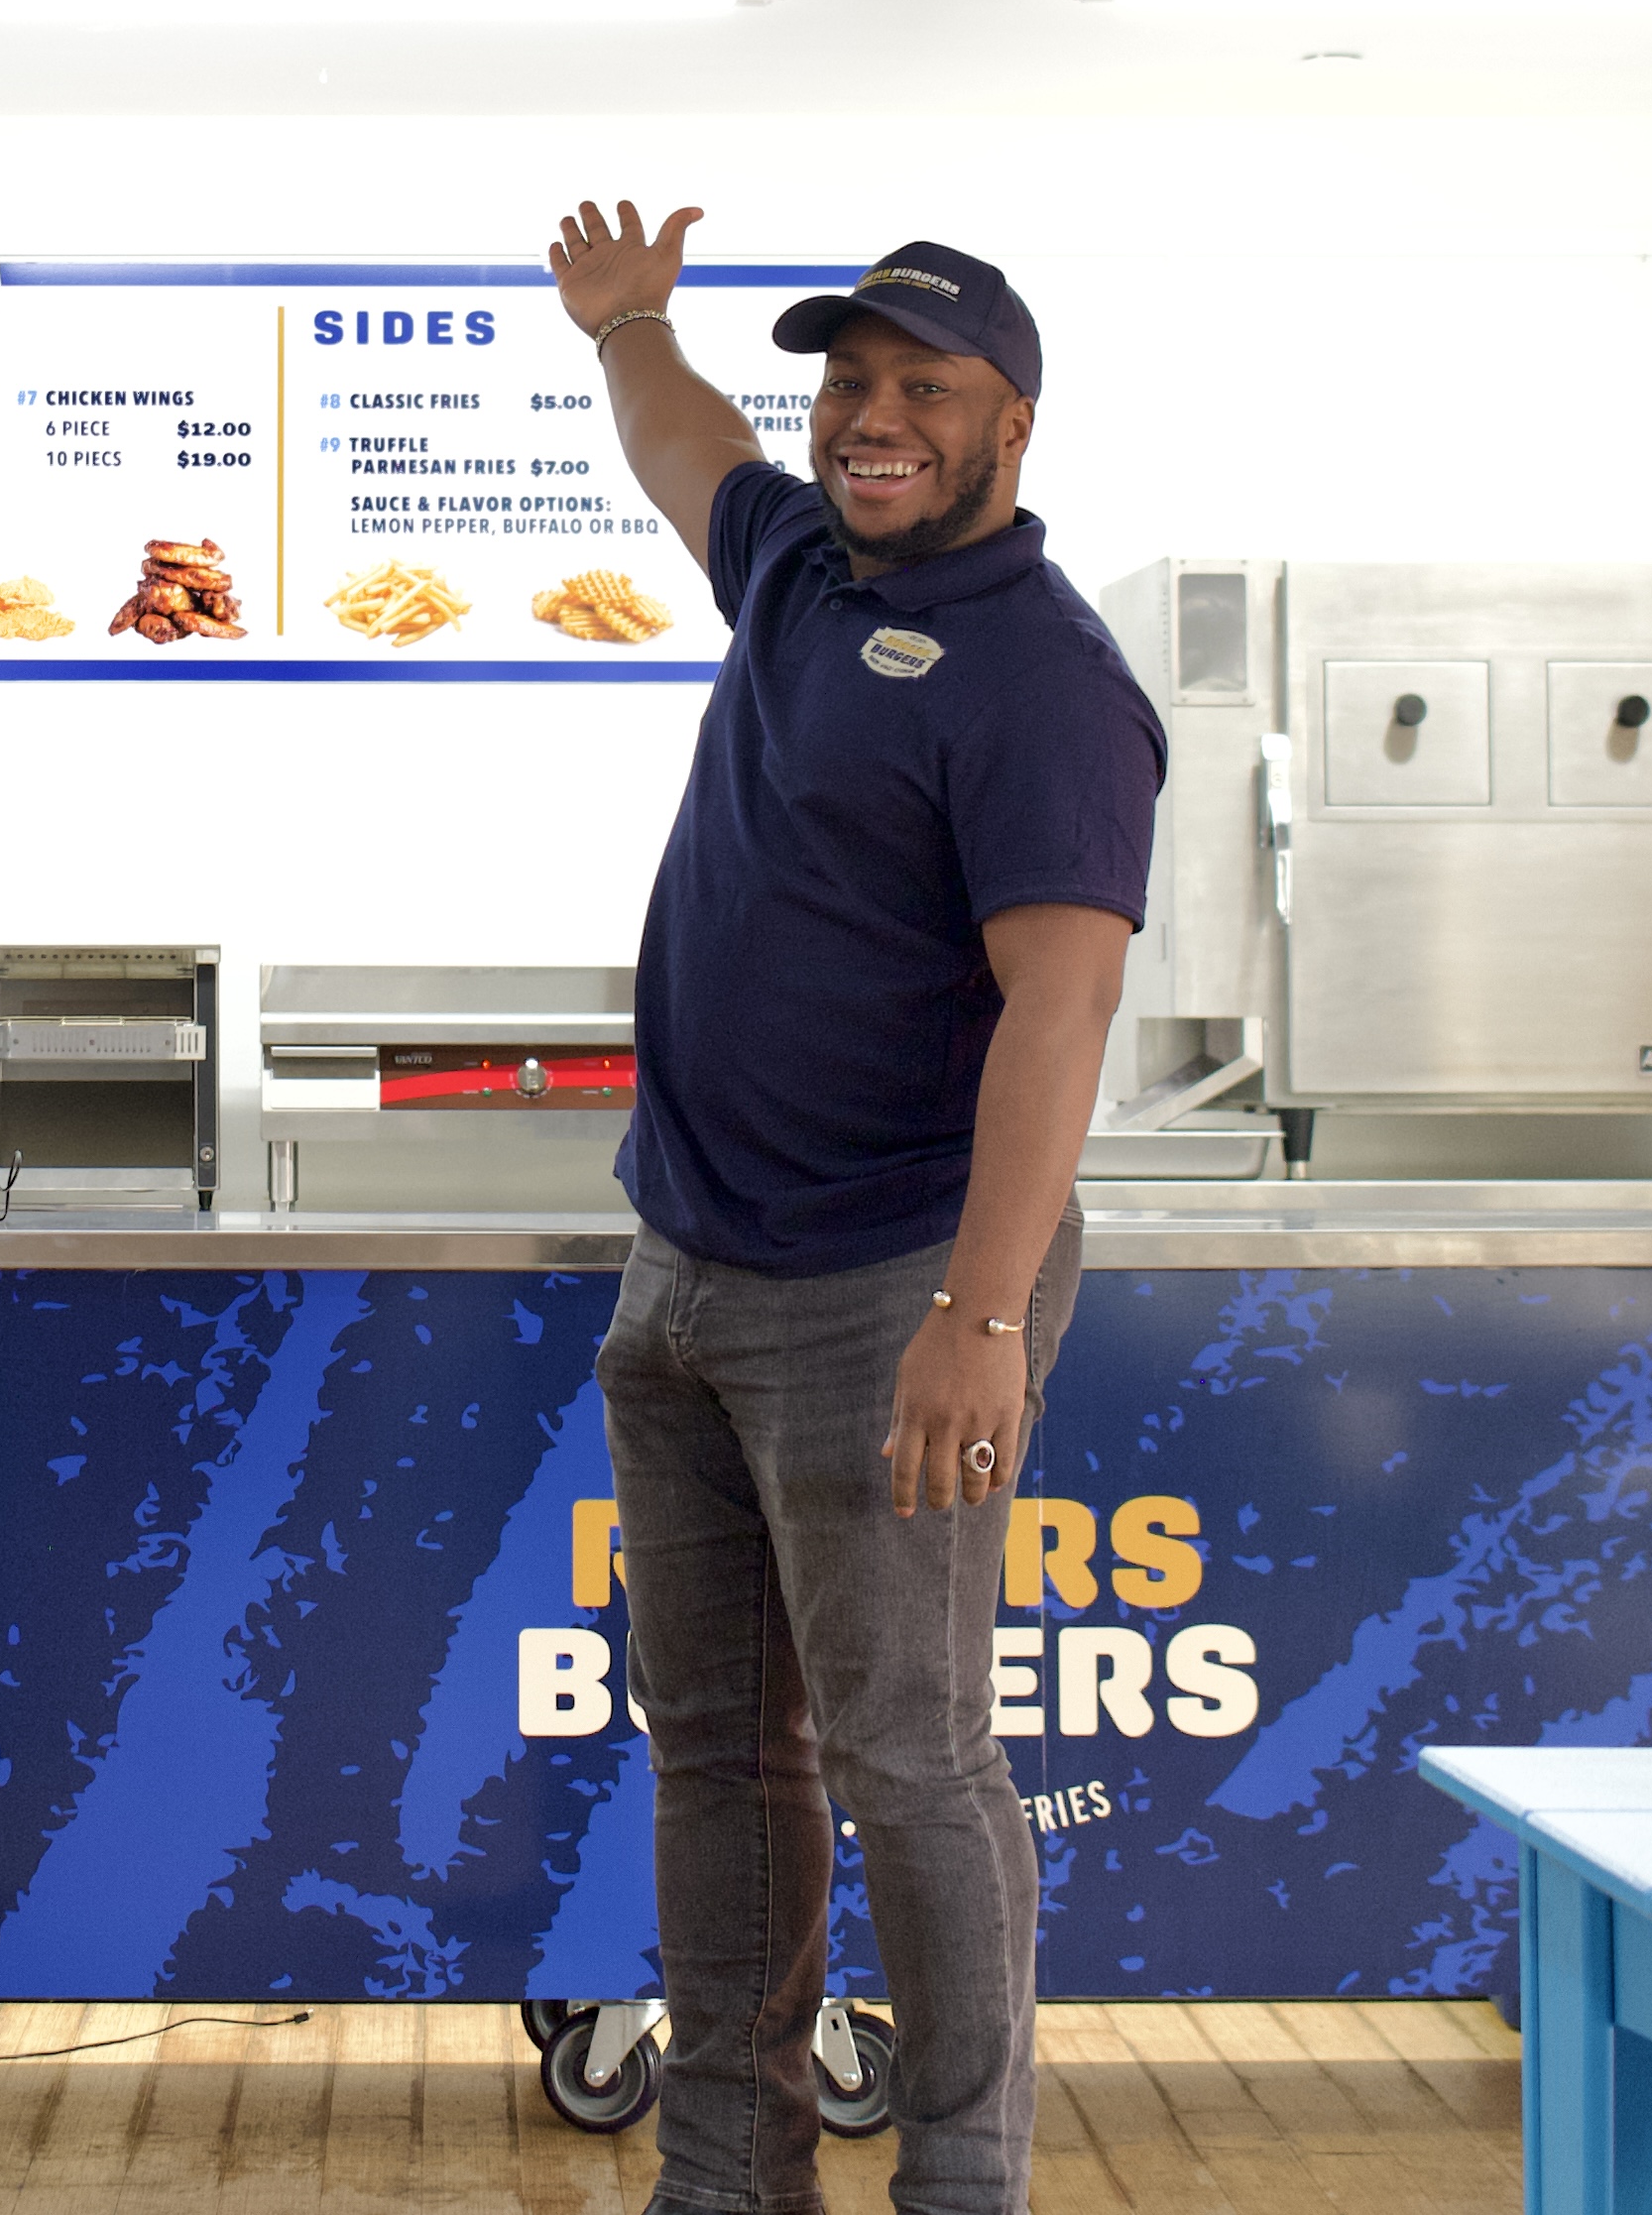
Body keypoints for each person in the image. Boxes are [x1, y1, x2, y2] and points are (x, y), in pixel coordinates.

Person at [543, 201, 1163, 2215]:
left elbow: (1060, 1007)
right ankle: (726, 2173)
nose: (868, 423)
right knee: (719, 1751)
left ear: (1016, 424)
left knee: (913, 1756)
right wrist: (629, 319)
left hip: (891, 1286)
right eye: (850, 388)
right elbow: (678, 440)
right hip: (691, 1261)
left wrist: (976, 1321)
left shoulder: (1044, 682)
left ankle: (962, 2181)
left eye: (923, 392)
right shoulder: (802, 570)